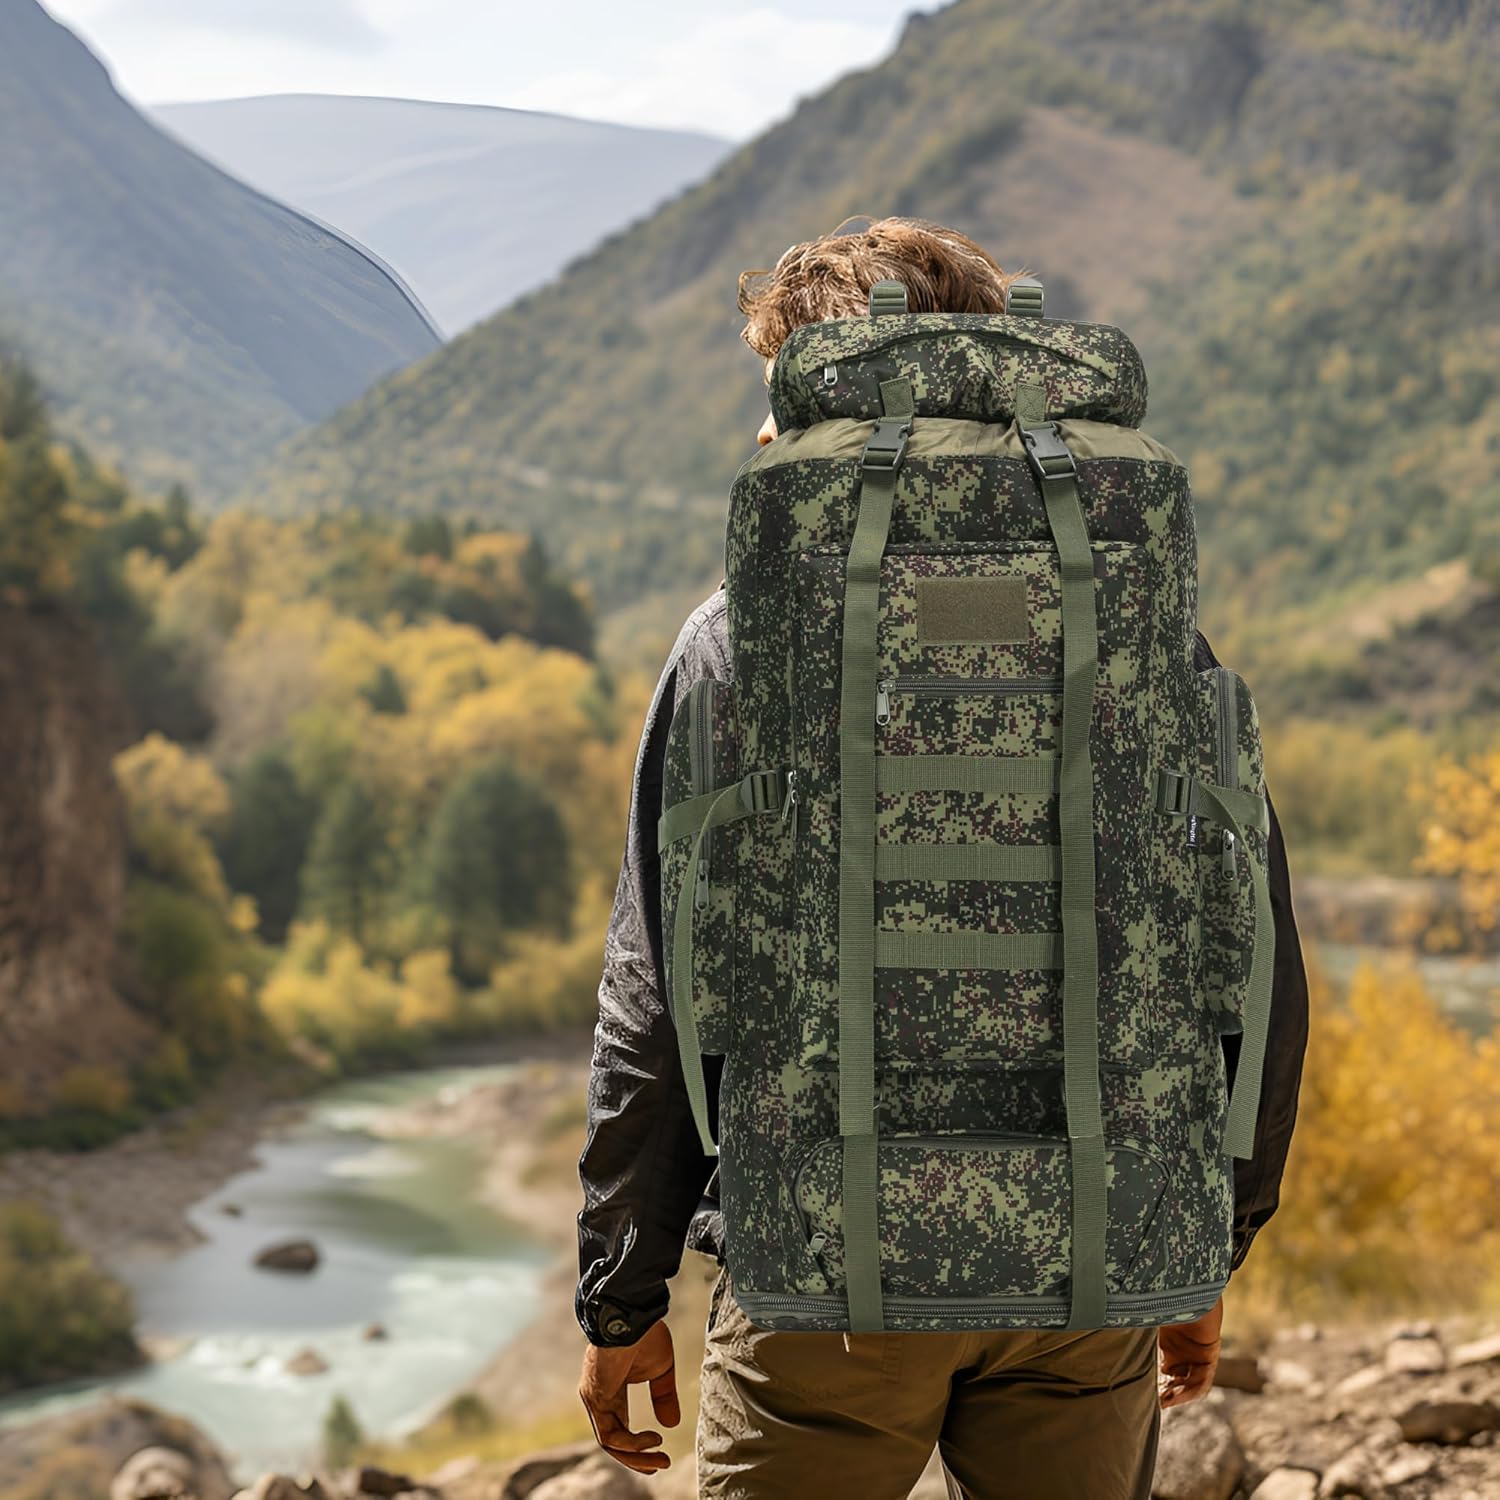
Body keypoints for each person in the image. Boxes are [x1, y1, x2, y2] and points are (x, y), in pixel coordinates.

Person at [575, 216, 1309, 1500]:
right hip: (1090, 1258)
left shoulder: (737, 639)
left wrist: (620, 1292)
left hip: (823, 1278)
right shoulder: (1136, 620)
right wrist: (1209, 1241)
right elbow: (1246, 945)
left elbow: (660, 989)